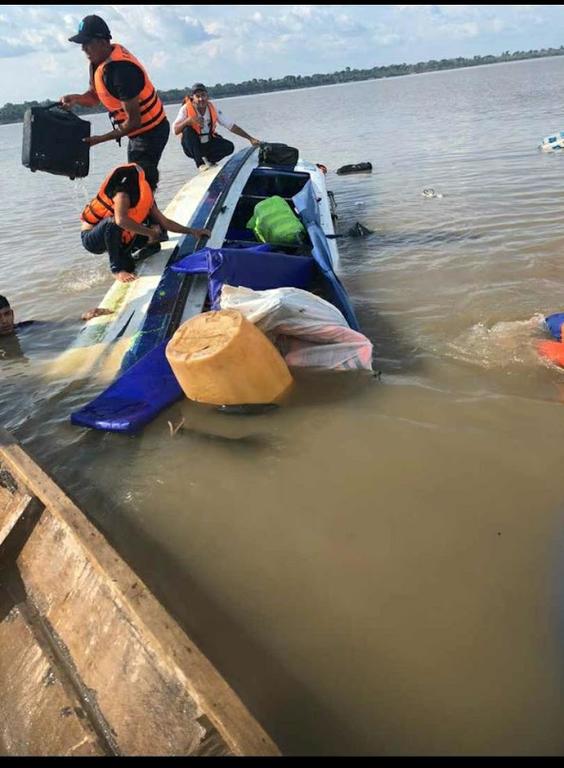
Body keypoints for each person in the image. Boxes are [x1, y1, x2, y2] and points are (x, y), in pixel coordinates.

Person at [60, 15, 170, 174]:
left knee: (136, 184)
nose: (83, 49)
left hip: (152, 132)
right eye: (81, 44)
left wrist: (100, 139)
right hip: (136, 134)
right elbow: (94, 97)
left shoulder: (121, 71)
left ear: (103, 42)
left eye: (87, 43)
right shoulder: (97, 63)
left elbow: (134, 122)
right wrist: (76, 98)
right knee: (136, 183)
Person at [80, 163, 210, 282]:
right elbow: (120, 221)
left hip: (117, 237)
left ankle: (128, 258)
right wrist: (149, 233)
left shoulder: (145, 196)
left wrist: (193, 231)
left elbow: (165, 222)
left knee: (158, 234)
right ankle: (117, 269)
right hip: (93, 239)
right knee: (113, 223)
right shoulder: (122, 195)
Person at [173, 83, 260, 172]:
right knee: (187, 131)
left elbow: (231, 126)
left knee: (229, 147)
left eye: (203, 95)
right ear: (192, 98)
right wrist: (188, 121)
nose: (201, 99)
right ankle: (200, 164)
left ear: (207, 96)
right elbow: (175, 130)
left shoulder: (213, 108)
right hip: (192, 147)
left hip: (207, 143)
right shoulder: (185, 109)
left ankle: (210, 161)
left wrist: (250, 138)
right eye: (197, 96)